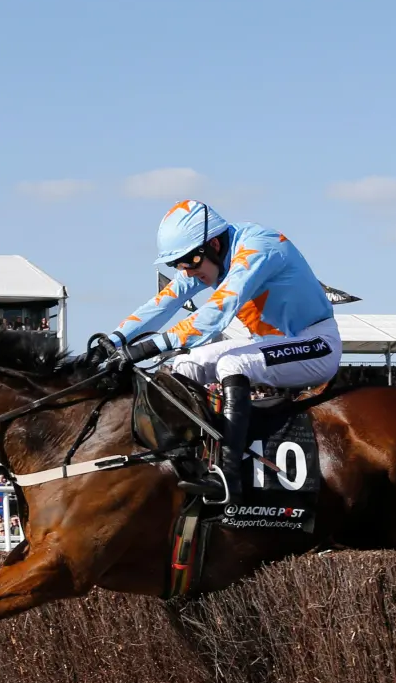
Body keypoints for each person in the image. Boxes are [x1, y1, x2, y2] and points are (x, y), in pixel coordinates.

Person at [93, 200, 340, 503]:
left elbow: (215, 315)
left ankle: (228, 476)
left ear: (213, 244)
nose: (186, 271)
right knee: (183, 365)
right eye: (178, 265)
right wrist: (115, 341)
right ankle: (181, 462)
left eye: (190, 262)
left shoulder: (259, 248)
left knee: (232, 364)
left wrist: (147, 346)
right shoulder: (207, 256)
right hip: (270, 344)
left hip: (317, 344)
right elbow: (163, 303)